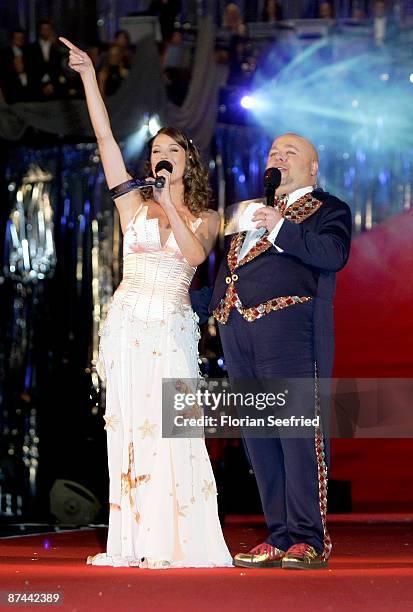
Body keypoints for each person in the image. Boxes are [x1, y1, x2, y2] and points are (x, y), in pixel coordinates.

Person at [59, 36, 232, 569]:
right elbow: (106, 139)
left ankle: (178, 540)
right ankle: (133, 540)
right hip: (128, 326)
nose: (160, 157)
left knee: (170, 431)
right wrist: (90, 77)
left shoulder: (206, 215)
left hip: (170, 330)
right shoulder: (130, 202)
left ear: (187, 162)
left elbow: (194, 256)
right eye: (155, 150)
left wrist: (169, 206)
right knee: (131, 430)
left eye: (170, 151)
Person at [210, 133, 352, 569]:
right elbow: (229, 273)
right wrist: (194, 304)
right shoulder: (247, 212)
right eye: (274, 152)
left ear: (312, 169)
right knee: (259, 439)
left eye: (291, 153)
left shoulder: (330, 208)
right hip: (238, 331)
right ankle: (279, 534)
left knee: (296, 433)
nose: (279, 157)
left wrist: (279, 226)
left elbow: (332, 254)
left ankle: (308, 537)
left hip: (290, 330)